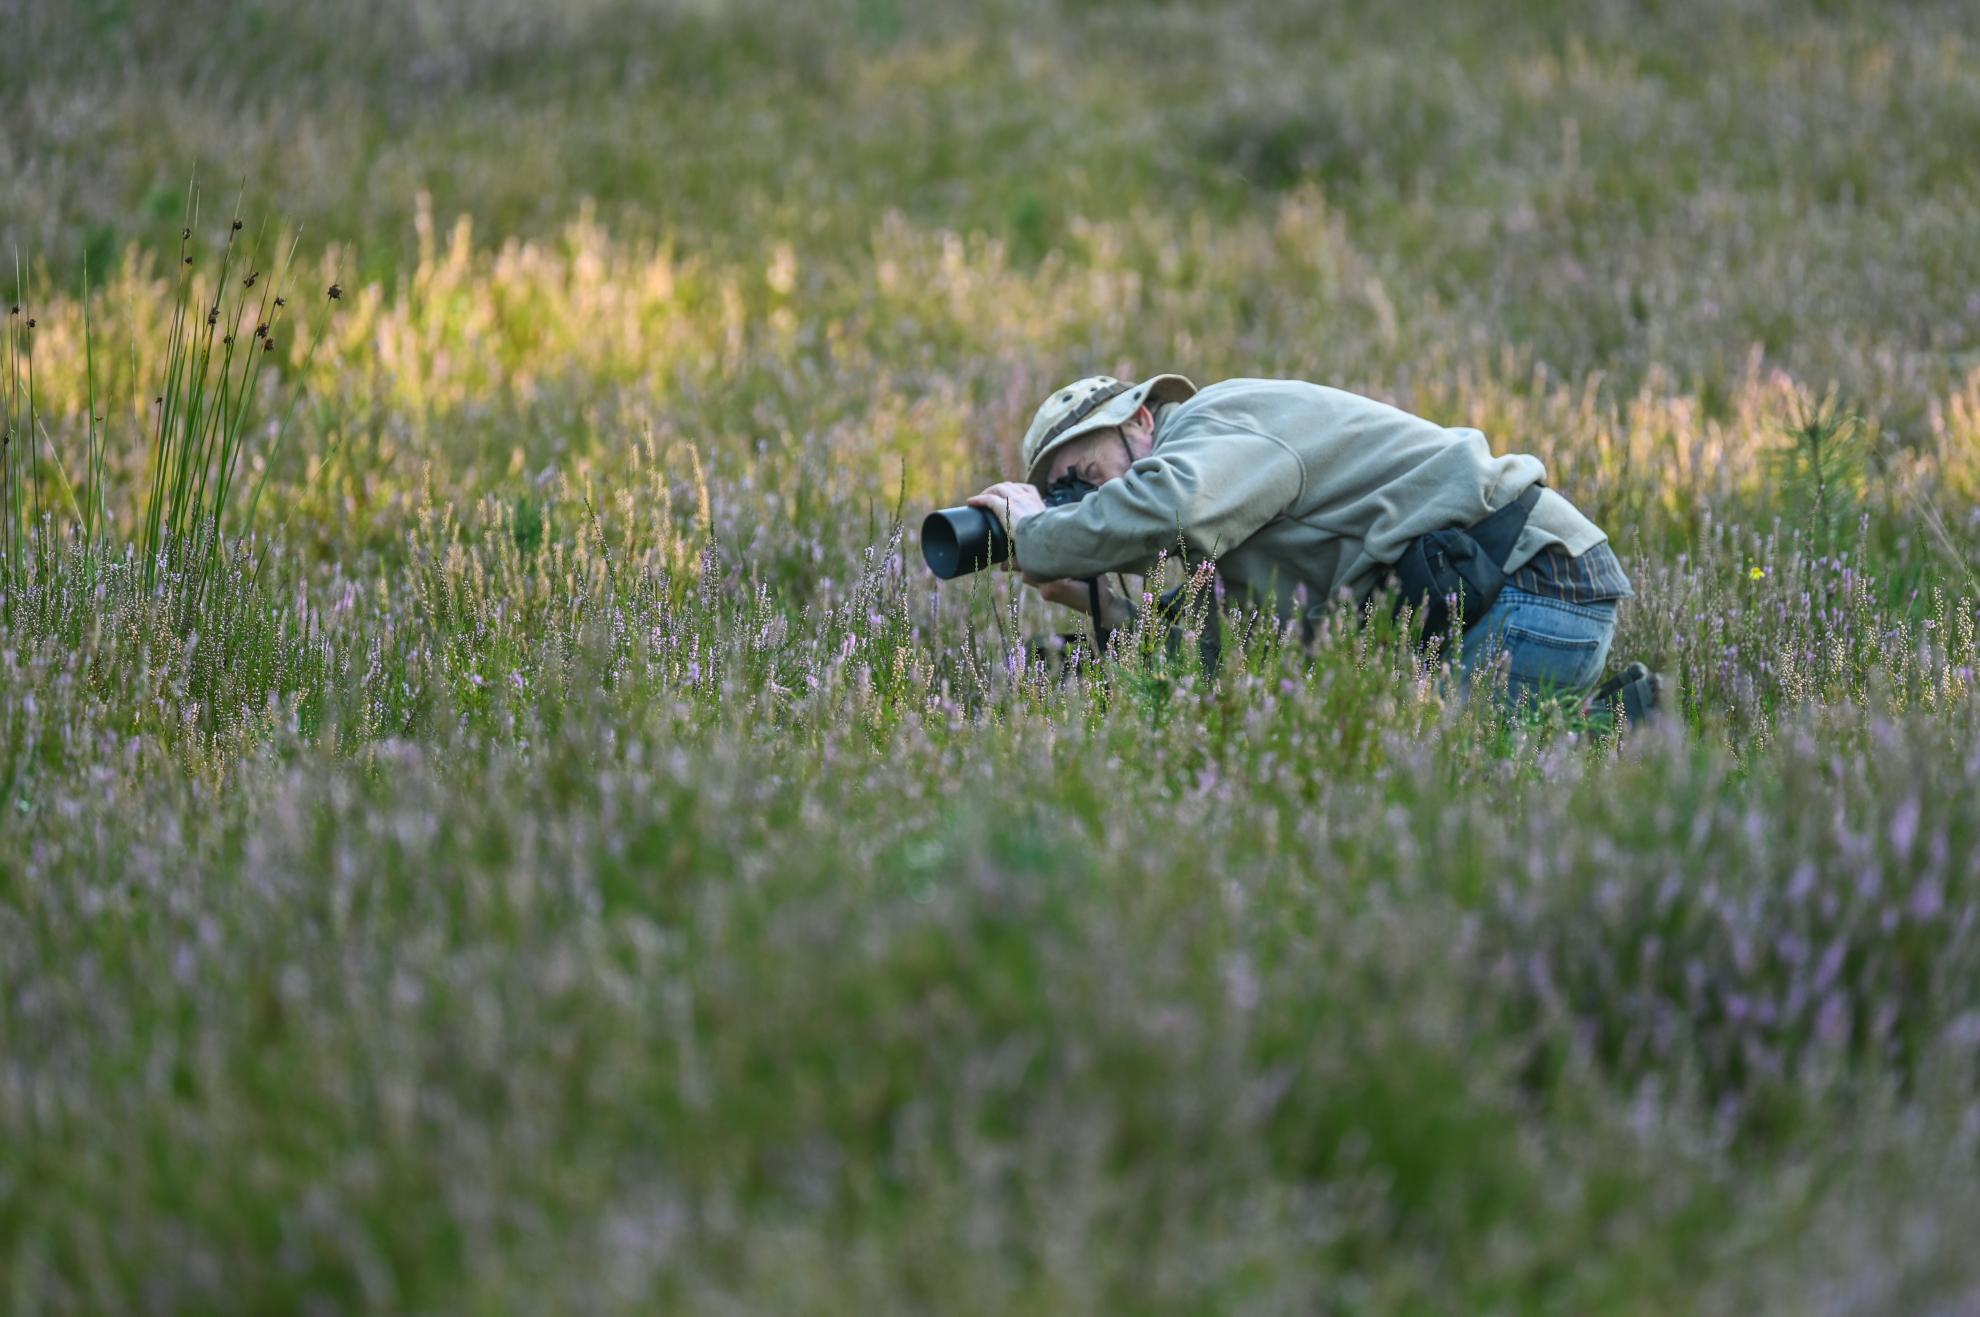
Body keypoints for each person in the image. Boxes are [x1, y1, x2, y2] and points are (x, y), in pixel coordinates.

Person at [968, 372, 1661, 716]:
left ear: (1142, 420)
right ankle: (1613, 723)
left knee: (1428, 781)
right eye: (1068, 496)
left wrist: (1040, 534)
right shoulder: (1228, 515)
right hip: (1526, 602)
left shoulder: (1212, 428)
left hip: (1532, 590)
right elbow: (1223, 653)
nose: (1090, 506)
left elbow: (1167, 506)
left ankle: (1613, 731)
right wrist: (1099, 605)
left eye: (1088, 478)